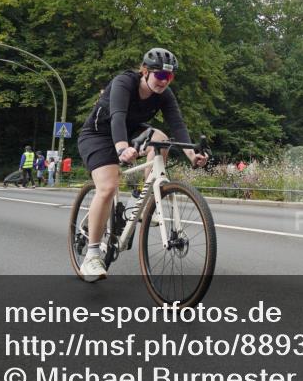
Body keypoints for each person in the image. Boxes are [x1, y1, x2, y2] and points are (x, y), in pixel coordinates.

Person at [75, 47, 208, 282]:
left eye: (169, 77)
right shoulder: (124, 82)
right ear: (144, 71)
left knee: (162, 138)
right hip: (99, 134)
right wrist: (121, 148)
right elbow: (117, 115)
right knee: (107, 186)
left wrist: (192, 155)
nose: (164, 82)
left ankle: (141, 197)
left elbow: (178, 124)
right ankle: (92, 255)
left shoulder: (164, 94)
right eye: (159, 76)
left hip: (131, 132)